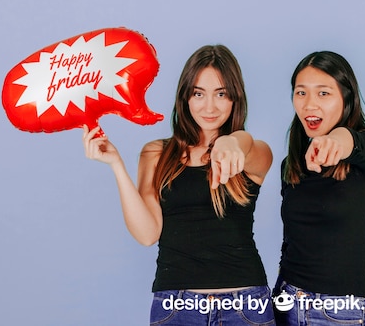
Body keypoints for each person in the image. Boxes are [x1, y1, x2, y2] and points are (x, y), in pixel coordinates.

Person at [83, 44, 275, 326]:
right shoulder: (156, 154)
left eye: (221, 94)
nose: (209, 107)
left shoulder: (251, 153)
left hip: (245, 305)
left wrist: (231, 141)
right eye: (198, 94)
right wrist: (116, 166)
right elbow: (148, 234)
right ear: (185, 98)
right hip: (176, 307)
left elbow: (249, 145)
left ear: (235, 98)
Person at [273, 51, 365, 326]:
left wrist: (336, 140)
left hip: (338, 313)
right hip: (285, 301)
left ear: (346, 98)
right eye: (301, 93)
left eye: (323, 93)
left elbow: (353, 142)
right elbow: (290, 243)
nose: (309, 104)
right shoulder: (292, 165)